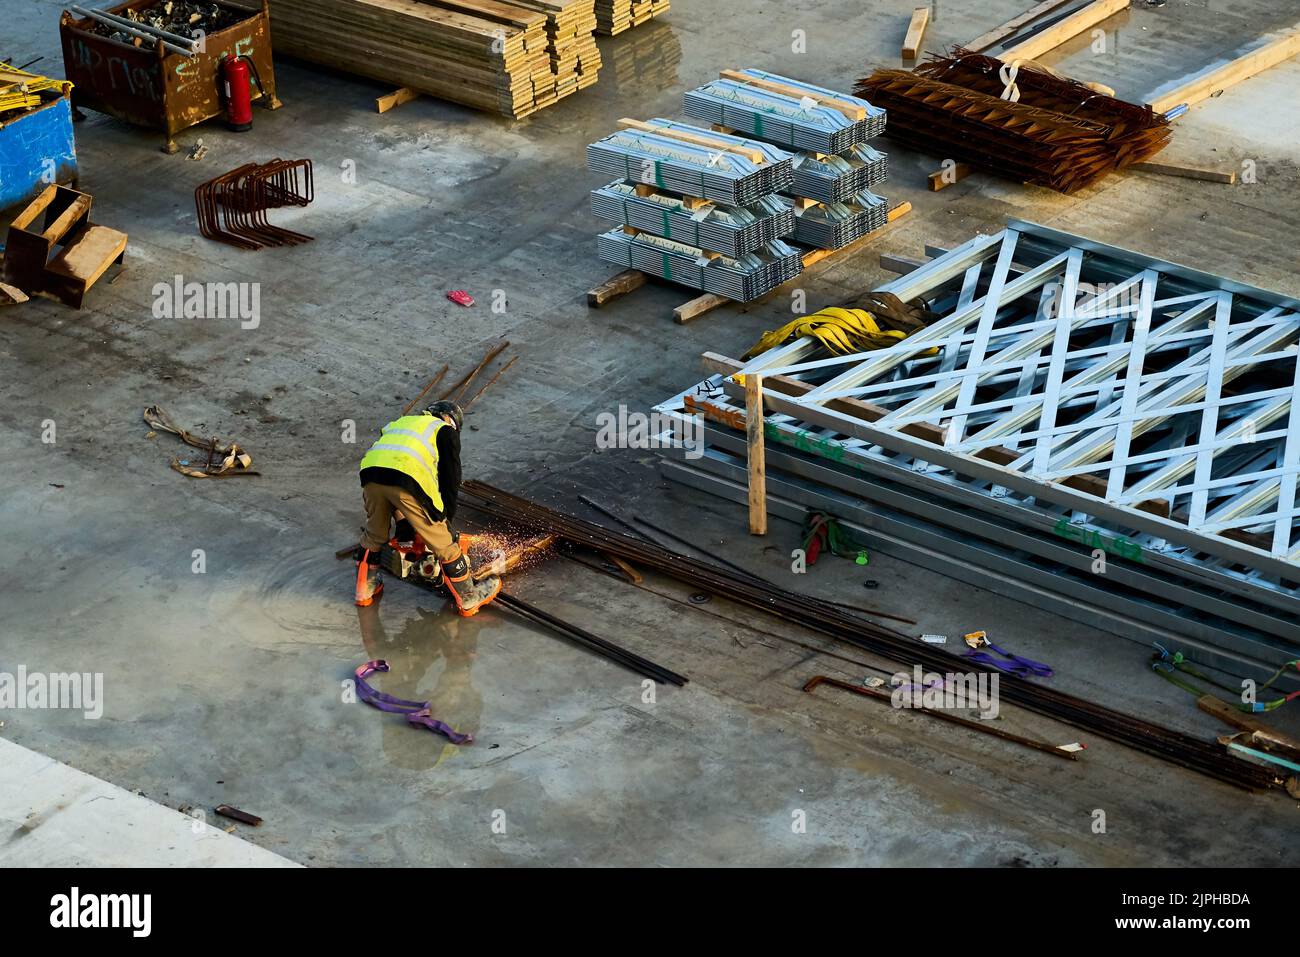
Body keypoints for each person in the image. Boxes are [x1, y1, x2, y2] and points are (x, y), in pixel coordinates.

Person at [354, 400, 501, 615]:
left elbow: (390, 472)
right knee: (443, 544)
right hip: (405, 478)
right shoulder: (444, 431)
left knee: (375, 535)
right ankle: (469, 598)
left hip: (370, 475)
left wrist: (404, 525)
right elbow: (450, 481)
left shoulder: (403, 422)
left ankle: (364, 591)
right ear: (450, 420)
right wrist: (446, 523)